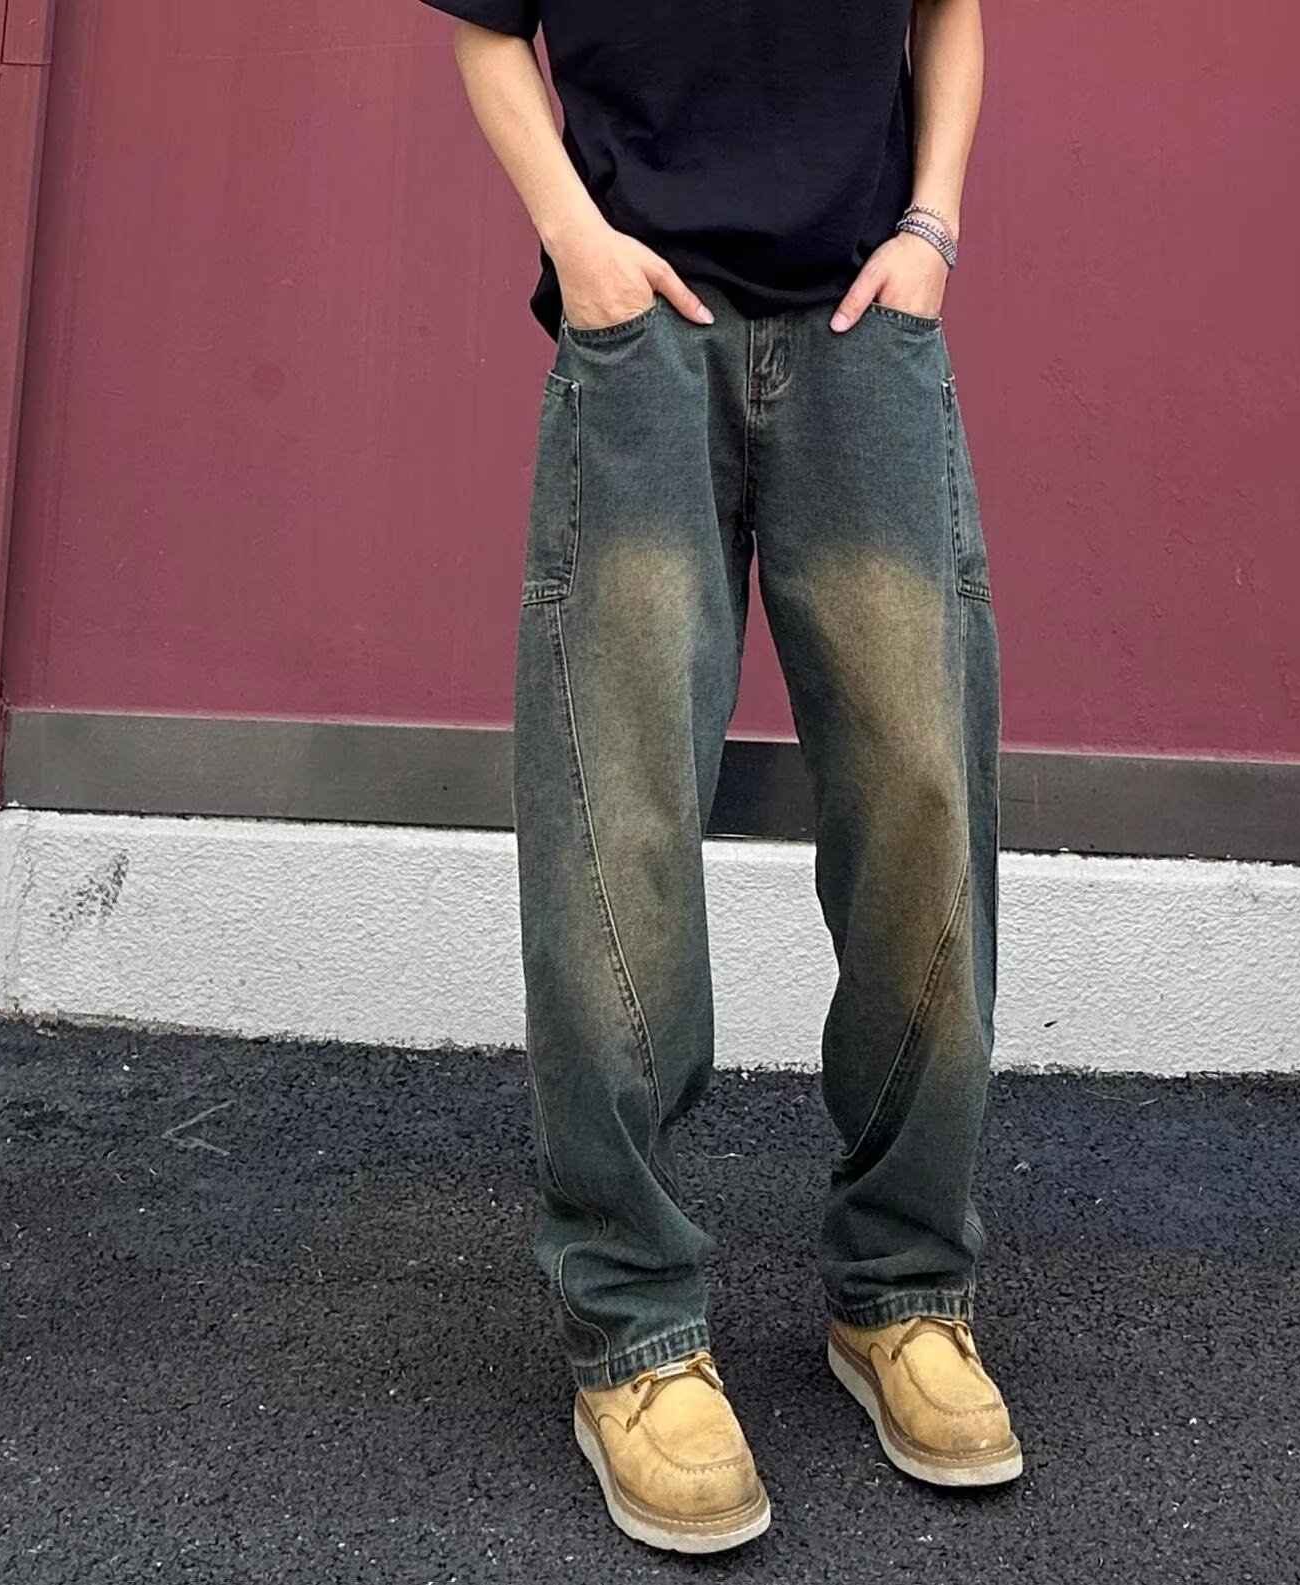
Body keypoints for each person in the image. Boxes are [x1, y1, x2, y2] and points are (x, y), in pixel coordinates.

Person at [422, 0, 1017, 1553]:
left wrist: (931, 230)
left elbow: (951, 12)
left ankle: (904, 1291)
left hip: (864, 331)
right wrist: (579, 244)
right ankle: (632, 1328)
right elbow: (484, 34)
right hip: (642, 336)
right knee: (612, 825)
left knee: (922, 806)